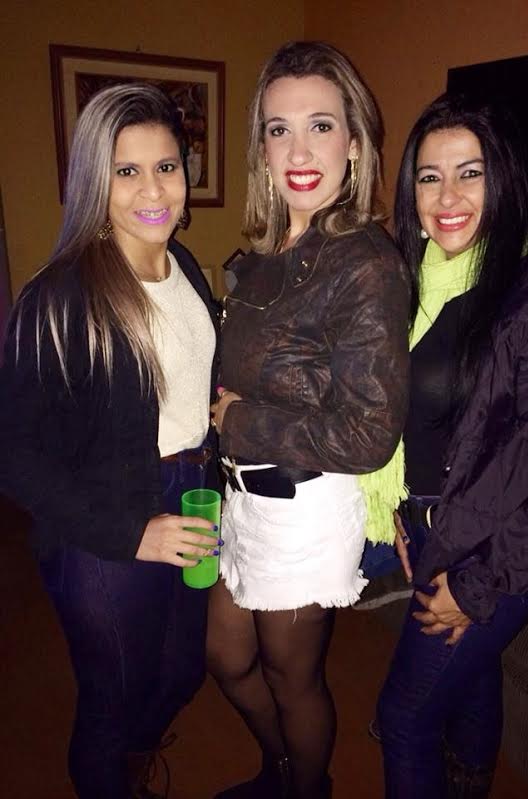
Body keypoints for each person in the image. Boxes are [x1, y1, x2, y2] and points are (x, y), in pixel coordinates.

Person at [0, 84, 221, 799]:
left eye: (166, 167)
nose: (153, 190)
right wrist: (133, 532)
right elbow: (14, 452)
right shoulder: (60, 296)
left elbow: (178, 380)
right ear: (95, 181)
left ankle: (130, 761)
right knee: (111, 698)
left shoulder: (184, 264)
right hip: (104, 520)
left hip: (191, 491)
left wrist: (216, 409)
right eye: (127, 171)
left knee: (182, 669)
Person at [376, 93, 528, 799]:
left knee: (402, 721)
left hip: (489, 550)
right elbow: (423, 424)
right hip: (430, 526)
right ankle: (469, 780)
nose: (447, 197)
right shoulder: (415, 286)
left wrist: (475, 586)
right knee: (471, 682)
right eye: (429, 176)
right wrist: (402, 508)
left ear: (504, 181)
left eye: (469, 173)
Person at [208, 40, 409, 799]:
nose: (298, 151)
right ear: (260, 147)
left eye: (320, 126)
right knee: (227, 657)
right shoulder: (263, 255)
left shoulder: (365, 263)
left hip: (304, 504)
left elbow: (368, 434)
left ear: (354, 142)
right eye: (279, 129)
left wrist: (240, 422)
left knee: (293, 677)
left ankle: (304, 786)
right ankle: (281, 767)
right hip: (243, 497)